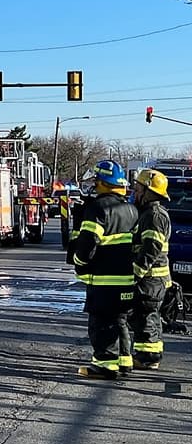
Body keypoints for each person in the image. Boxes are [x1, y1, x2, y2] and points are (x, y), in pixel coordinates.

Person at [72, 160, 139, 379]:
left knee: (100, 324)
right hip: (127, 279)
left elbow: (89, 241)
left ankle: (105, 365)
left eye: (97, 181)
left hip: (103, 279)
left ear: (103, 182)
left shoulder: (98, 208)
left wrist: (79, 263)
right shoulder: (131, 209)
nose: (94, 185)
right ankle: (124, 361)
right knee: (120, 321)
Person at [131, 168, 172, 370]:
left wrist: (136, 273)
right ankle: (149, 354)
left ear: (149, 191)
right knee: (149, 316)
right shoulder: (149, 213)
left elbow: (150, 249)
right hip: (153, 278)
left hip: (150, 278)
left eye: (138, 189)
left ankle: (148, 357)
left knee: (146, 316)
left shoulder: (154, 216)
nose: (135, 192)